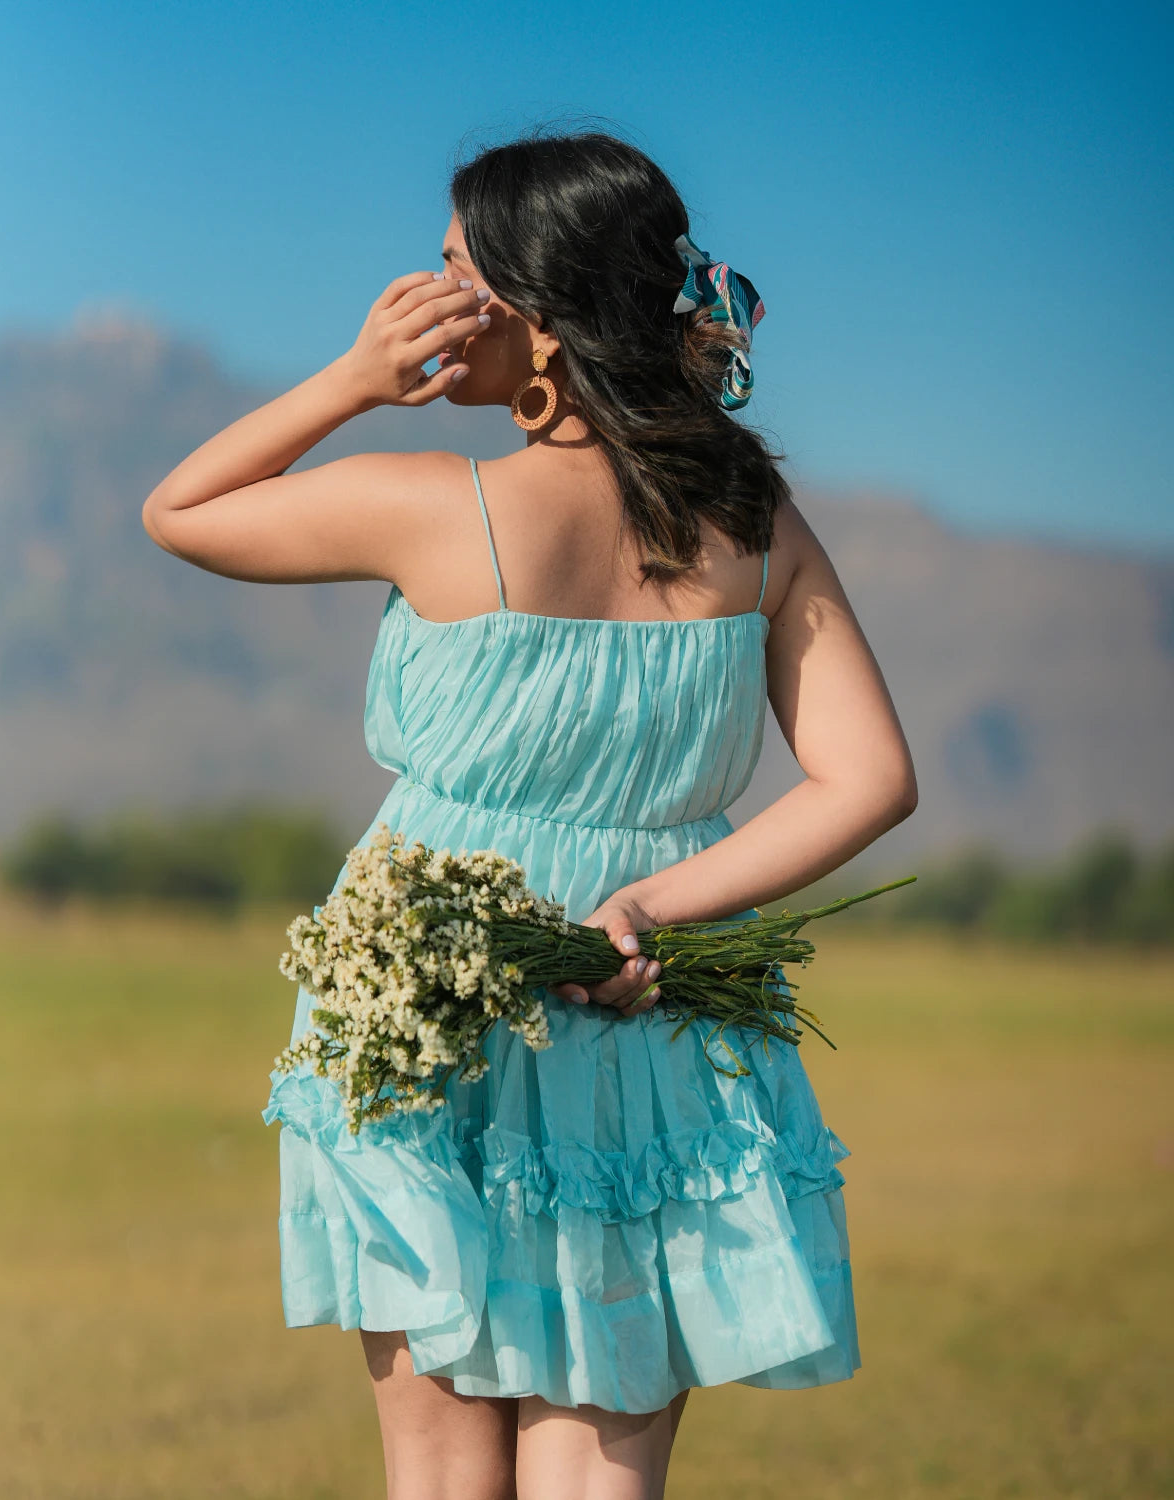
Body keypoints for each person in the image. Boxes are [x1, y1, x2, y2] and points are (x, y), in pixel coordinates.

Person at [142, 128, 917, 1500]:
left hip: (430, 1004)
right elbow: (869, 781)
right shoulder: (753, 517)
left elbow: (182, 509)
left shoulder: (435, 505)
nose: (421, 296)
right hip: (660, 1020)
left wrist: (352, 380)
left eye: (449, 269)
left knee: (439, 1478)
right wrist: (650, 912)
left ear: (537, 319)